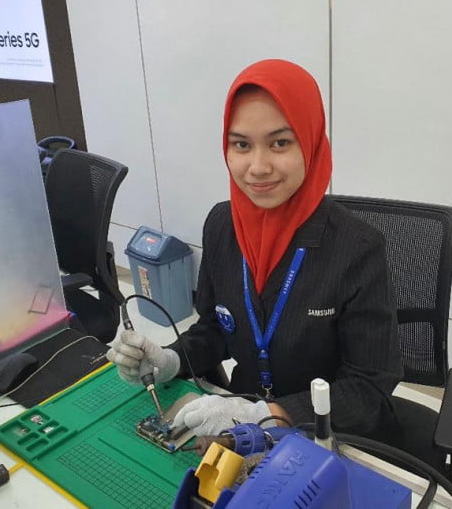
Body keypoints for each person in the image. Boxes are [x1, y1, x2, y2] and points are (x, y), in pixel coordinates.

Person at [107, 59, 401, 438]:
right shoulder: (222, 224)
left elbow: (370, 390)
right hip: (238, 408)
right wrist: (170, 359)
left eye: (280, 143)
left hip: (325, 432)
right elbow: (216, 327)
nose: (258, 167)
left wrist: (269, 414)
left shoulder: (358, 248)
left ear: (310, 142)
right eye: (242, 144)